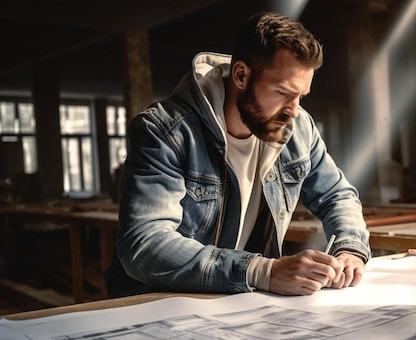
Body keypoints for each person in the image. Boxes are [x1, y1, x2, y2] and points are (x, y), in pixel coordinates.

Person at [105, 11, 370, 297]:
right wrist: (262, 271)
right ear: (241, 75)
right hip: (159, 301)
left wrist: (349, 249)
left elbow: (337, 195)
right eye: (282, 92)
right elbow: (145, 244)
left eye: (300, 96)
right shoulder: (164, 131)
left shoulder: (298, 127)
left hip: (240, 301)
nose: (293, 111)